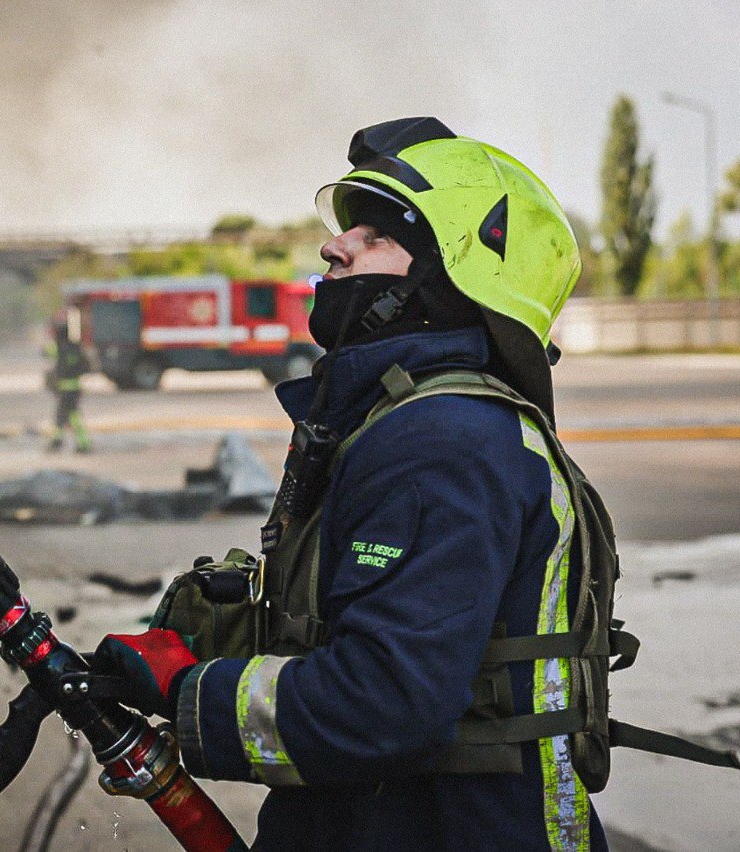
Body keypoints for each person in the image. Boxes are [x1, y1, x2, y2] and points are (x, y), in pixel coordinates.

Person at [89, 117, 614, 850]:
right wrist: (208, 646)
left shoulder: (442, 442)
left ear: (447, 283)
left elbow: (383, 704)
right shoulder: (405, 422)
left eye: (378, 236)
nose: (335, 246)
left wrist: (185, 691)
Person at [45, 313, 91, 453]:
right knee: (73, 415)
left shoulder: (58, 347)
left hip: (63, 388)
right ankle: (82, 443)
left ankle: (58, 442)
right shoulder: (76, 347)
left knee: (61, 416)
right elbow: (86, 366)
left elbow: (45, 352)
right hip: (75, 388)